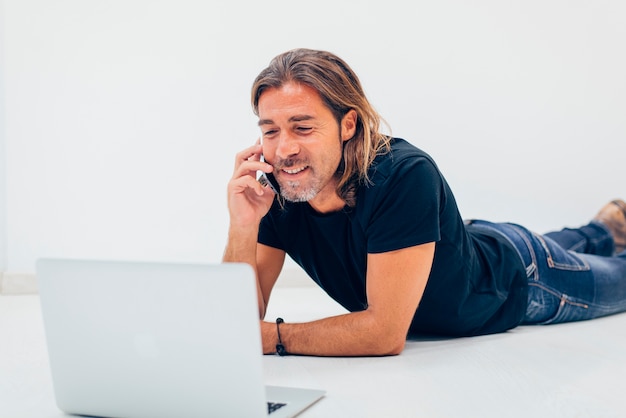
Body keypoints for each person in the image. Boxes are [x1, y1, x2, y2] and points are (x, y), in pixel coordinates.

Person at [223, 48, 626, 357]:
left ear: (348, 124)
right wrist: (243, 225)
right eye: (270, 130)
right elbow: (237, 320)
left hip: (522, 275)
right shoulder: (279, 187)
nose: (284, 149)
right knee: (584, 240)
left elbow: (384, 332)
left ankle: (602, 233)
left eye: (303, 127)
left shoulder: (403, 175)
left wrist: (275, 336)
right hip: (469, 241)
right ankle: (603, 228)